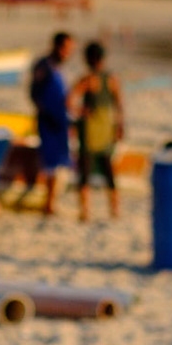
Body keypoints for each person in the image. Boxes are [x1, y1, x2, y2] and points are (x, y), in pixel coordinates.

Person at [70, 41, 124, 221]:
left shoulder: (87, 79)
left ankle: (85, 212)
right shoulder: (111, 79)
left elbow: (69, 100)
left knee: (84, 170)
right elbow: (119, 105)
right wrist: (119, 127)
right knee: (108, 169)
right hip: (106, 127)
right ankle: (114, 211)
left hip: (90, 129)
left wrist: (80, 112)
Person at [28, 32, 75, 216]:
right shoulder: (44, 66)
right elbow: (34, 93)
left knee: (57, 163)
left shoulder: (59, 68)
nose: (68, 53)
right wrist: (46, 112)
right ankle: (48, 204)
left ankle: (51, 202)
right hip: (49, 120)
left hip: (60, 120)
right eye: (66, 48)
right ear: (56, 46)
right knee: (50, 162)